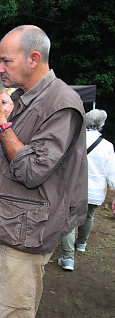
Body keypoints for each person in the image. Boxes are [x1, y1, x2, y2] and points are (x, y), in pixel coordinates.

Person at [0, 25, 87, 318]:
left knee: (13, 311)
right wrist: (4, 118)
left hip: (27, 233)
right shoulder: (27, 97)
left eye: (6, 61)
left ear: (34, 59)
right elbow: (12, 152)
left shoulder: (61, 103)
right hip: (5, 223)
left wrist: (0, 122)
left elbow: (31, 170)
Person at [58, 109, 115, 270]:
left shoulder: (75, 139)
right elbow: (112, 172)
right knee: (88, 216)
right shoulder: (107, 146)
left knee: (68, 219)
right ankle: (81, 243)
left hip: (73, 186)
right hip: (95, 189)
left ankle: (68, 258)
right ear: (102, 124)